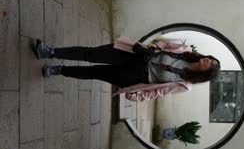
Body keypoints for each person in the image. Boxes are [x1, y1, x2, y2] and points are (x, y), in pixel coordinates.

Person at [31, 36, 220, 101]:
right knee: (92, 54)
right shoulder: (185, 50)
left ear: (206, 73)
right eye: (211, 59)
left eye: (211, 65)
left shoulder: (185, 85)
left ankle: (58, 70)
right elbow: (161, 44)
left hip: (135, 76)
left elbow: (160, 91)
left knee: (94, 73)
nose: (208, 61)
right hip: (135, 55)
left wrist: (138, 96)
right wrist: (154, 49)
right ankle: (50, 52)